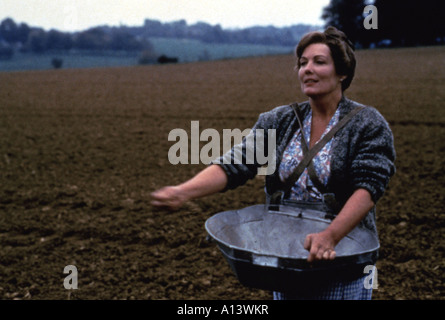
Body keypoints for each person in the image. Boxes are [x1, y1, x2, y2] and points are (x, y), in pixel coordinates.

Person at [151, 26, 396, 300]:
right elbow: (237, 163)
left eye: (319, 62)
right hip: (286, 262)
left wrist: (331, 235)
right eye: (302, 63)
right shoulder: (280, 121)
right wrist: (182, 191)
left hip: (343, 262)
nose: (307, 69)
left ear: (342, 72)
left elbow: (369, 187)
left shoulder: (367, 124)